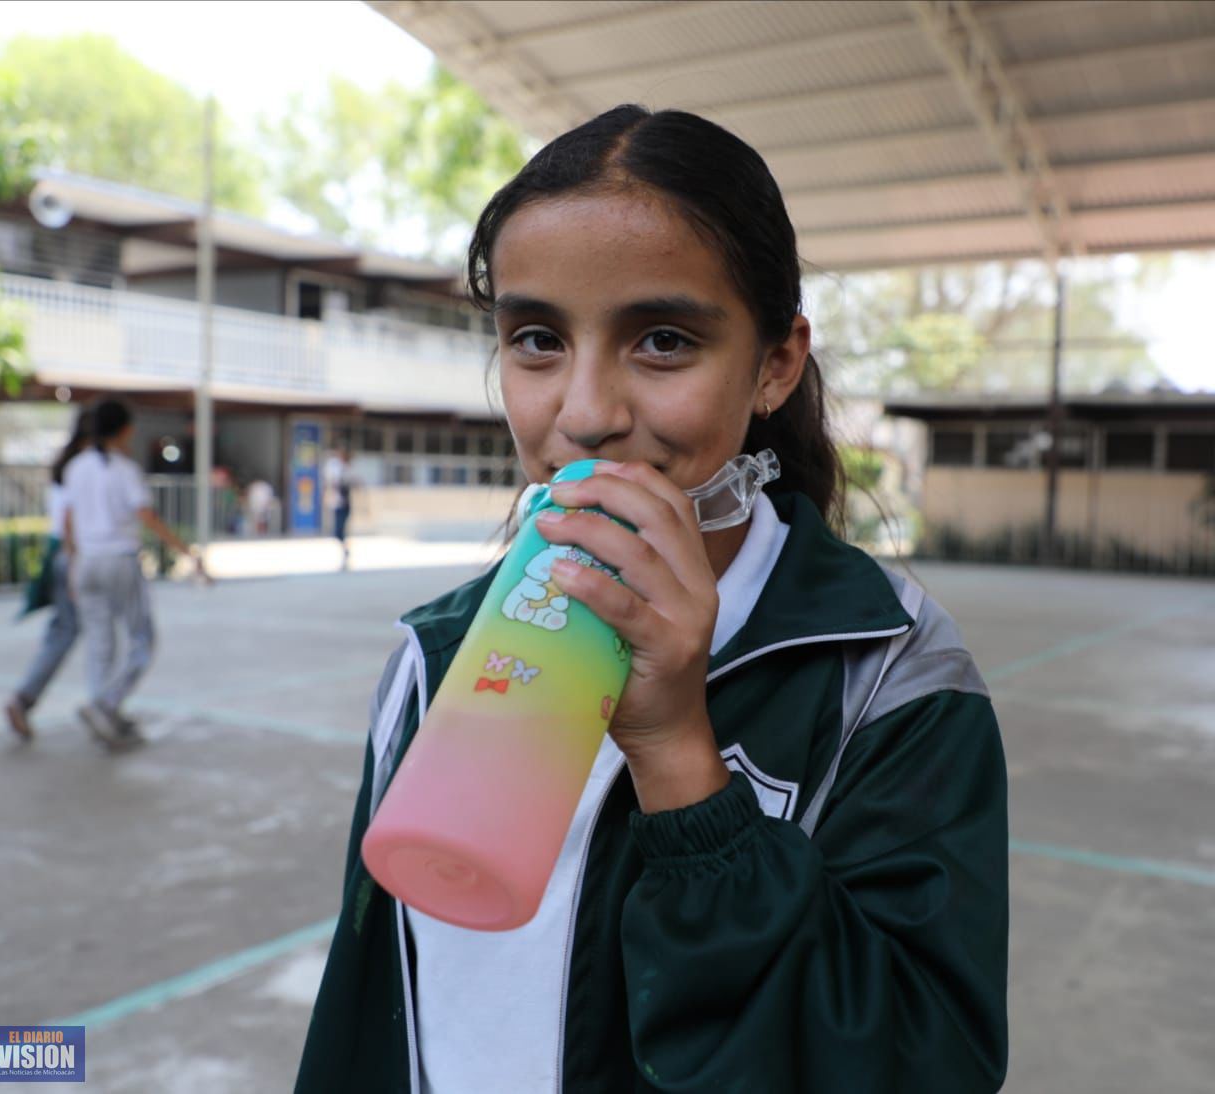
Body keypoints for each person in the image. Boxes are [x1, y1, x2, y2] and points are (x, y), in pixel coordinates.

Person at [296, 106, 1008, 1093]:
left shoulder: (888, 671)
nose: (584, 412)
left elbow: (918, 1061)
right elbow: (366, 1009)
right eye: (536, 337)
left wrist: (680, 760)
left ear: (773, 363)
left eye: (662, 339)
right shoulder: (433, 658)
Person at [63, 398, 208, 749]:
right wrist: (188, 553)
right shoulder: (124, 470)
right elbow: (148, 517)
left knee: (100, 643)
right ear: (125, 429)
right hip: (119, 559)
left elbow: (68, 520)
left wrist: (72, 565)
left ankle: (102, 707)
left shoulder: (77, 467)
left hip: (87, 562)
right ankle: (106, 704)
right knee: (142, 640)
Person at [4, 409, 95, 740]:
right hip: (76, 554)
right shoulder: (86, 466)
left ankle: (26, 698)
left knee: (66, 630)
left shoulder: (66, 463)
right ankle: (27, 698)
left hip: (63, 551)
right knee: (80, 630)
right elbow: (73, 520)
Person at [322, 446, 354, 568]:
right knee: (338, 532)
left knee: (339, 531)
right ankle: (345, 551)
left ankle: (346, 551)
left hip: (343, 506)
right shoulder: (338, 470)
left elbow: (345, 486)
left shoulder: (345, 471)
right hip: (338, 505)